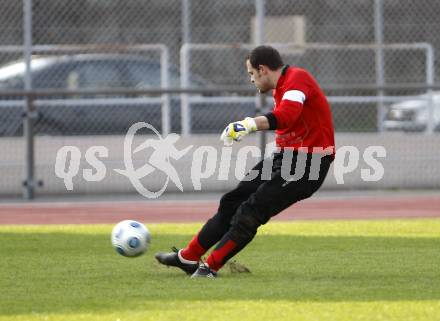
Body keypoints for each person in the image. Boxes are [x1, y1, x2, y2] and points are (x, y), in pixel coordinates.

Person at [155, 45, 335, 278]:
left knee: (252, 210)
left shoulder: (297, 78)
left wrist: (248, 124)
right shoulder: (281, 86)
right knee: (232, 201)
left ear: (262, 69)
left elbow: (287, 116)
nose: (251, 79)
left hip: (308, 164)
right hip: (287, 158)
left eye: (251, 74)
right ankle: (188, 257)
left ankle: (209, 267)